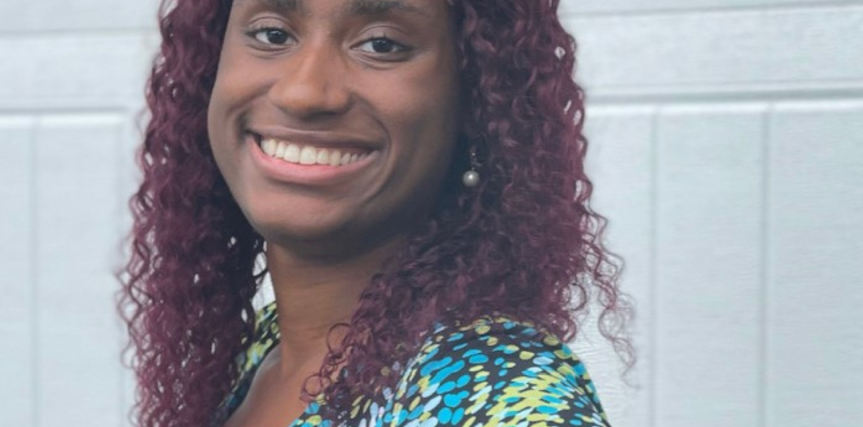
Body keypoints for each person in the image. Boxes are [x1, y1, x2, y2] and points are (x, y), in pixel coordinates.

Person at [119, 0, 632, 425]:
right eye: (272, 34)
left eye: (381, 44)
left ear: (477, 103)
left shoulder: (500, 397)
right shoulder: (259, 355)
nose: (304, 92)